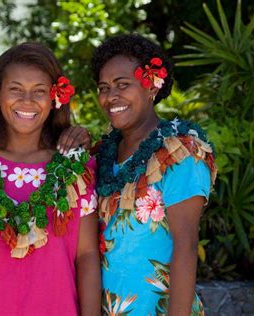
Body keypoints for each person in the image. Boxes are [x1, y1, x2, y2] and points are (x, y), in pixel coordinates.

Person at [0, 42, 101, 315]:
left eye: (39, 91)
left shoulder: (76, 168)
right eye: (16, 89)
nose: (27, 101)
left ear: (54, 98)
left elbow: (86, 255)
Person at [92, 34, 217, 315]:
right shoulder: (101, 154)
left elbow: (186, 246)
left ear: (151, 85)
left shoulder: (179, 154)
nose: (111, 96)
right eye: (104, 87)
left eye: (123, 85)